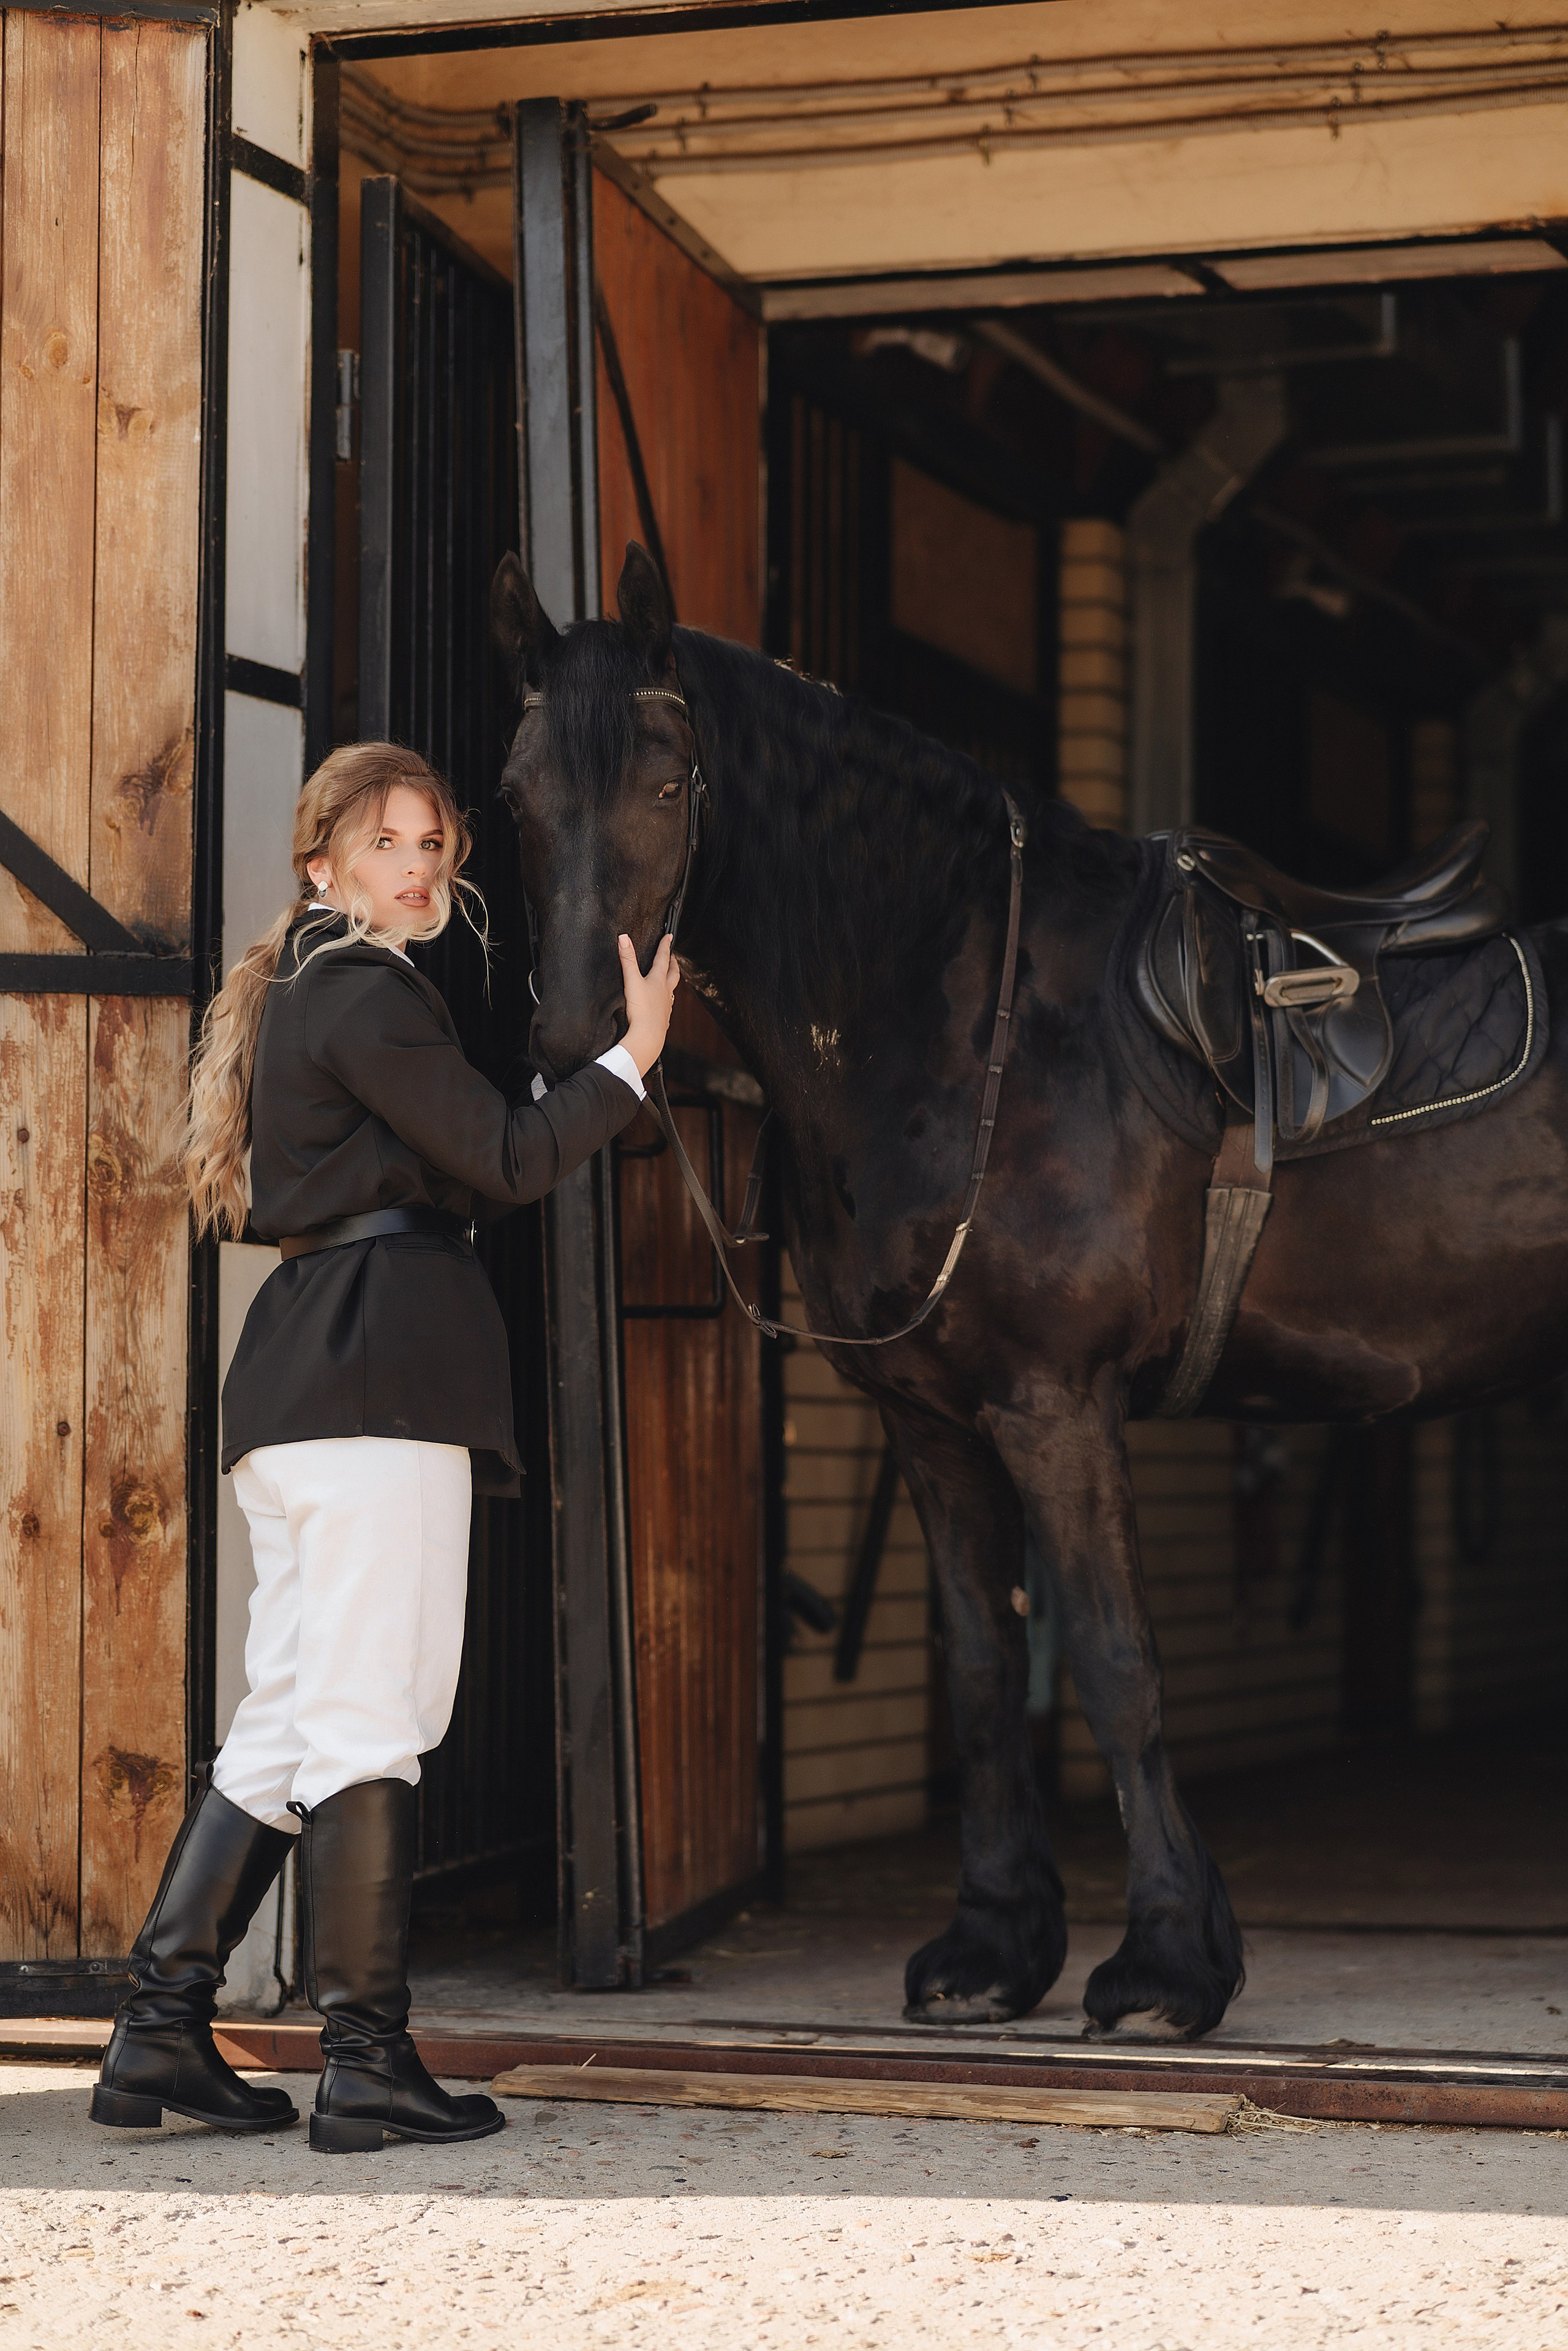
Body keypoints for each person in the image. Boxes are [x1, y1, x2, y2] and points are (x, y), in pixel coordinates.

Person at [89, 742, 676, 2154]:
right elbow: (509, 1155)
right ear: (323, 866)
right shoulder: (359, 987)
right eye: (386, 842)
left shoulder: (316, 986)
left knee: (289, 1719)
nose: (418, 864)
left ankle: (159, 2032)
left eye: (433, 842)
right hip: (371, 1389)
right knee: (375, 1715)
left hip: (314, 1386)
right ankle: (365, 2064)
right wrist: (632, 1060)